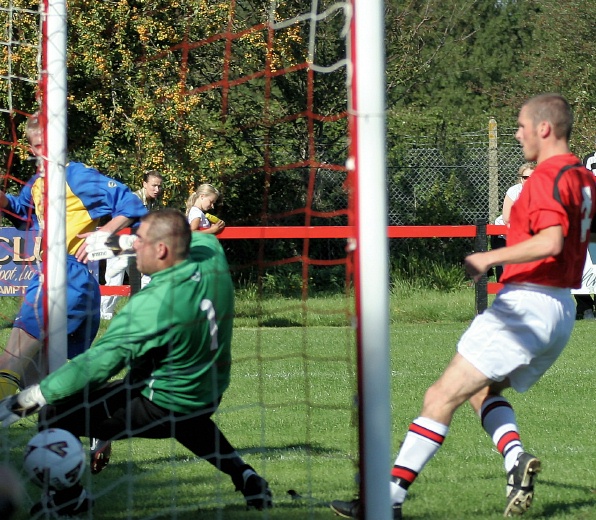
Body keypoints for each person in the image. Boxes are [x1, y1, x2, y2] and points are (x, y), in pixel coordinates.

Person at [331, 93, 596, 519]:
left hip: (526, 304)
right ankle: (515, 461)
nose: (517, 133)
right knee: (479, 391)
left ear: (544, 129)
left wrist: (488, 257)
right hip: (560, 310)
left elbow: (551, 241)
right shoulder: (584, 177)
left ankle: (386, 502)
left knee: (439, 396)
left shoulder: (547, 176)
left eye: (521, 125)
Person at [0, 209, 273, 517]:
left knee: (56, 411)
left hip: (161, 403)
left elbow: (98, 364)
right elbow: (193, 237)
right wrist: (118, 243)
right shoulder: (212, 255)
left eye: (140, 241)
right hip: (209, 390)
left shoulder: (153, 304)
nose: (135, 246)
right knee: (189, 421)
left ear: (161, 250)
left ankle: (69, 500)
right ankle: (246, 477)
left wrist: (30, 398)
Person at [0, 112, 147, 398]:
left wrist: (106, 233)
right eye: (37, 146)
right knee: (41, 384)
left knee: (10, 365)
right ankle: (97, 421)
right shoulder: (37, 183)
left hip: (69, 275)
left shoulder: (76, 176)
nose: (43, 151)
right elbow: (23, 216)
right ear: (30, 147)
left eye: (50, 144)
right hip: (52, 275)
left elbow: (130, 203)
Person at [100, 170, 163, 320]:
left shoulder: (153, 203)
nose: (157, 189)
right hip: (119, 242)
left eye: (159, 186)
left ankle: (143, 309)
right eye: (154, 185)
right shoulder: (134, 199)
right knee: (115, 279)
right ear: (144, 184)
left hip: (134, 246)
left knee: (147, 276)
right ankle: (104, 315)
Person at [490, 162, 535, 281]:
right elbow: (507, 218)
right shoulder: (514, 191)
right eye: (526, 177)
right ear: (521, 179)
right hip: (503, 234)